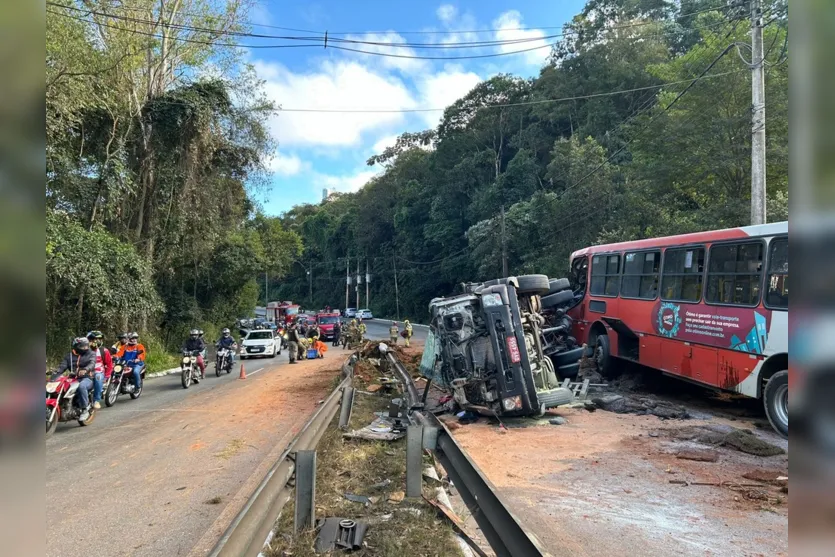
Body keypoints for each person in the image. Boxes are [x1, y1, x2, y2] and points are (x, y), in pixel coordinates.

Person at [53, 337, 97, 420]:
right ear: (76, 346)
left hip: (87, 378)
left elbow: (92, 363)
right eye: (82, 346)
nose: (85, 348)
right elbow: (63, 366)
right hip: (73, 378)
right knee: (57, 386)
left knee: (81, 386)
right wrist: (56, 372)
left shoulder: (91, 354)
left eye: (86, 346)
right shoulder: (69, 356)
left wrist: (85, 369)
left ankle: (85, 409)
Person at [87, 330, 113, 409]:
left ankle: (96, 400)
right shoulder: (84, 350)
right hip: (86, 371)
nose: (96, 341)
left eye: (99, 339)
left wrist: (107, 376)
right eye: (93, 339)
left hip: (99, 372)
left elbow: (109, 364)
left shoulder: (104, 351)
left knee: (98, 379)